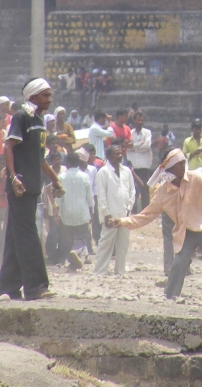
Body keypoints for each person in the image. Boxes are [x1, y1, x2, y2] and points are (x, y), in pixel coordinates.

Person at [110, 149, 202, 299]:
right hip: (185, 233)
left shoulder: (194, 177)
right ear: (170, 168)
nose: (184, 166)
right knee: (178, 265)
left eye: (184, 162)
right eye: (179, 164)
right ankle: (169, 296)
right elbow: (146, 215)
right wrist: (123, 221)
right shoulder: (163, 193)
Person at [0, 78, 63, 301]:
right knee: (28, 236)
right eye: (45, 95)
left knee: (16, 236)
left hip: (33, 186)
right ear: (32, 96)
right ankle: (35, 287)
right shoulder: (22, 117)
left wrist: (55, 180)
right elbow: (8, 146)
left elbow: (39, 157)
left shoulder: (39, 121)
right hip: (21, 187)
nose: (49, 99)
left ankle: (6, 288)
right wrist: (14, 177)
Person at [93, 145, 135, 276]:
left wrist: (129, 208)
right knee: (106, 243)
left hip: (125, 213)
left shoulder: (126, 171)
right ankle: (100, 271)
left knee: (123, 244)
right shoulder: (103, 172)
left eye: (121, 153)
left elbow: (132, 191)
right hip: (111, 214)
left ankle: (120, 271)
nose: (120, 155)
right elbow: (101, 195)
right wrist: (106, 214)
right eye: (117, 154)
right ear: (109, 156)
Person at [57, 153, 92, 272]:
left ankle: (72, 263)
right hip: (82, 213)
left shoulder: (61, 177)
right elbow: (89, 196)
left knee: (69, 239)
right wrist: (92, 209)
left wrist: (57, 210)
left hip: (67, 213)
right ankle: (77, 255)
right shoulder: (85, 176)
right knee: (82, 237)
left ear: (68, 163)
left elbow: (58, 197)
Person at [128, 111, 153, 209]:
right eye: (138, 120)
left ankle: (146, 210)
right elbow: (127, 147)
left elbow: (147, 146)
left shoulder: (147, 132)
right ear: (134, 121)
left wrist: (133, 147)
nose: (141, 122)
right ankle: (133, 210)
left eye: (142, 120)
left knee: (145, 188)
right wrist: (138, 145)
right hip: (133, 165)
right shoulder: (130, 133)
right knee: (132, 188)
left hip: (144, 165)